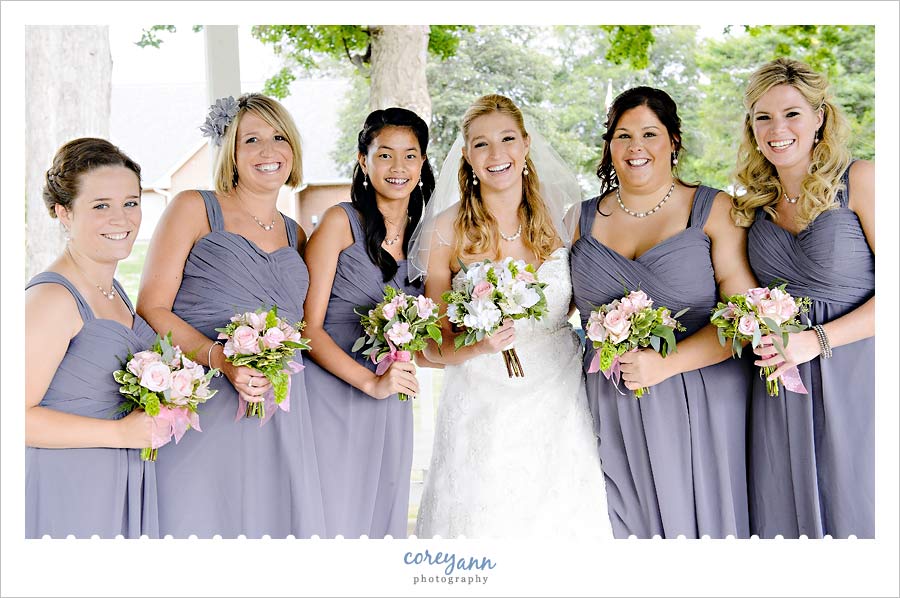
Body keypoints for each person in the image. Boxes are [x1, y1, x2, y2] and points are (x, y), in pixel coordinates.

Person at [410, 94, 611, 539]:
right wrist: (478, 345)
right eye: (481, 144)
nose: (496, 154)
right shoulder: (445, 230)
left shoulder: (566, 223)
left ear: (525, 144)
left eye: (507, 139)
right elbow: (430, 345)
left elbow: (579, 304)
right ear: (467, 155)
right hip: (482, 408)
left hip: (559, 404)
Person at [569, 86, 757, 538]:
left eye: (649, 134)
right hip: (610, 401)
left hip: (701, 398)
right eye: (623, 135)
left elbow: (745, 318)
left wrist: (665, 364)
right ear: (609, 145)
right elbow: (550, 309)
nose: (636, 147)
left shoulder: (714, 210)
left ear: (673, 140)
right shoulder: (577, 219)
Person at [136, 93, 326, 538]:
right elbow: (151, 306)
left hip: (280, 410)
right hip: (207, 401)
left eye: (279, 137)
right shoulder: (193, 208)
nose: (267, 151)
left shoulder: (296, 235)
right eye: (251, 140)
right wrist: (221, 359)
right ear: (231, 153)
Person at [733, 58, 875, 539]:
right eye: (763, 117)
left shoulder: (862, 181)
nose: (777, 130)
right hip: (779, 384)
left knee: (858, 505)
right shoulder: (750, 207)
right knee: (783, 512)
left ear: (819, 117)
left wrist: (815, 341)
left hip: (859, 373)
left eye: (791, 114)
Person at [302, 107, 434, 539]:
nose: (398, 167)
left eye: (410, 156)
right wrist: (370, 383)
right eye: (385, 155)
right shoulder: (340, 222)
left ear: (422, 163)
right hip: (333, 390)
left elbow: (431, 336)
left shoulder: (427, 237)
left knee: (381, 518)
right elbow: (307, 328)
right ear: (364, 160)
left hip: (392, 395)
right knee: (334, 517)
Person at [25, 138, 159, 538]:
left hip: (120, 481)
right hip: (70, 489)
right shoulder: (52, 299)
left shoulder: (113, 290)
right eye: (101, 206)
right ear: (63, 212)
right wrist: (120, 434)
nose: (121, 219)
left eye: (131, 203)